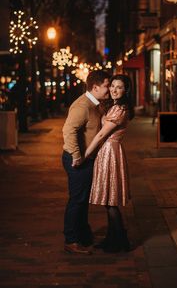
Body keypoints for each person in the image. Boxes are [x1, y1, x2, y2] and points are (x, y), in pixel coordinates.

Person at [85, 74, 134, 253]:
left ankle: (121, 241)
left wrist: (86, 153)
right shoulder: (114, 106)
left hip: (110, 152)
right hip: (107, 151)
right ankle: (113, 238)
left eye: (119, 87)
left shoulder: (120, 109)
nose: (114, 89)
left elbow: (101, 135)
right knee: (108, 200)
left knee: (111, 201)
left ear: (125, 90)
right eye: (112, 86)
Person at [62, 70, 110, 254]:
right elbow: (68, 131)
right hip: (77, 160)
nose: (109, 89)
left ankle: (83, 235)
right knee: (77, 200)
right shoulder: (82, 105)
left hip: (86, 158)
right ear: (95, 87)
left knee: (82, 200)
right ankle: (71, 239)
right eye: (106, 85)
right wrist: (76, 155)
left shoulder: (95, 103)